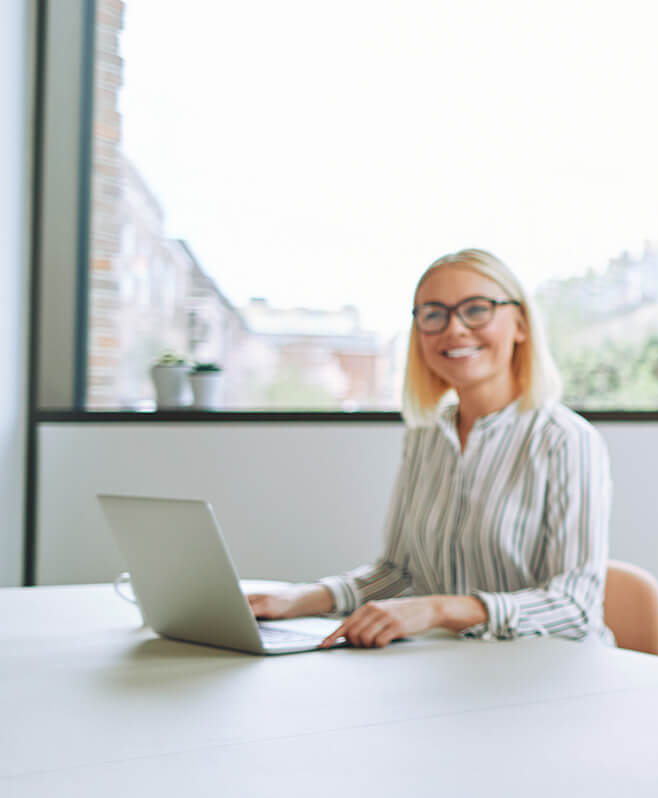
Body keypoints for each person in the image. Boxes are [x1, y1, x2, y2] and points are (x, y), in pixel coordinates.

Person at [247, 248, 613, 648]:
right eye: (434, 314)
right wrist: (296, 599)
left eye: (476, 309)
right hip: (453, 668)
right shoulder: (425, 438)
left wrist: (439, 610)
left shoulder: (564, 439)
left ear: (521, 323)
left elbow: (575, 606)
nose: (454, 329)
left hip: (550, 674)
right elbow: (398, 573)